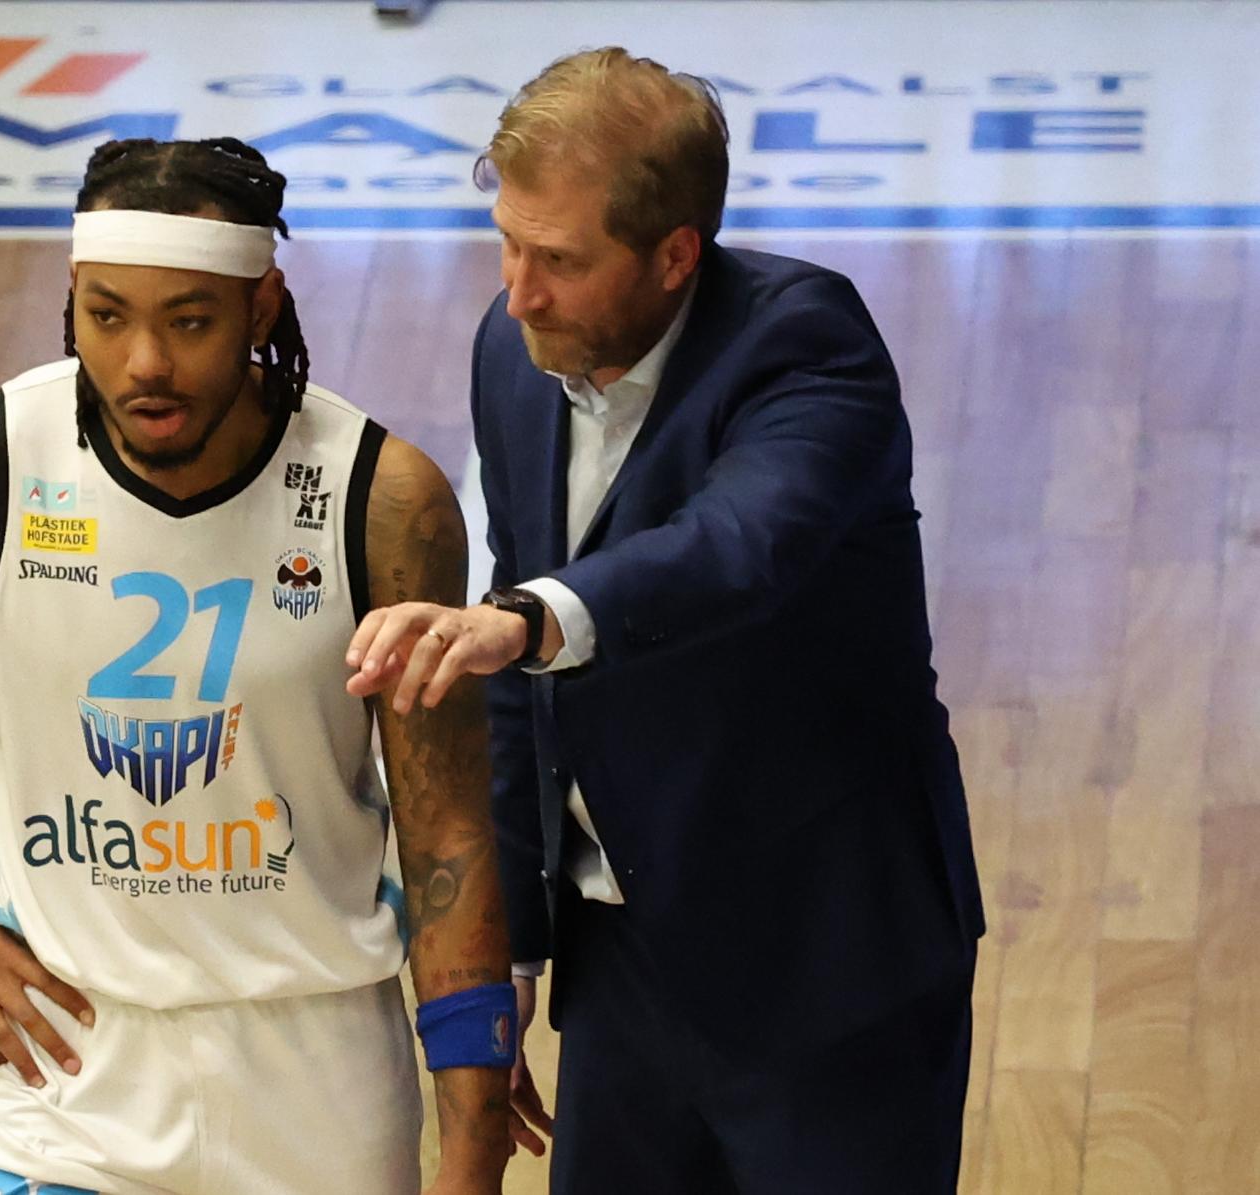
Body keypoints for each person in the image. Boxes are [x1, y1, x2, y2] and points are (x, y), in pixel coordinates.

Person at [0, 137, 516, 1195]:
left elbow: (447, 830)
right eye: (107, 316)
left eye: (188, 322)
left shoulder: (380, 501)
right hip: (70, 1080)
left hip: (320, 1081)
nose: (144, 362)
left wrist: (472, 1153)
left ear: (262, 306)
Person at [346, 49, 986, 1194]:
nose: (519, 291)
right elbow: (517, 681)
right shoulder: (514, 350)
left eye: (558, 260)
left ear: (676, 254)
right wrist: (510, 951)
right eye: (507, 244)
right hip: (622, 965)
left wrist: (530, 619)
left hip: (826, 968)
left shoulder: (807, 344)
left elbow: (739, 545)